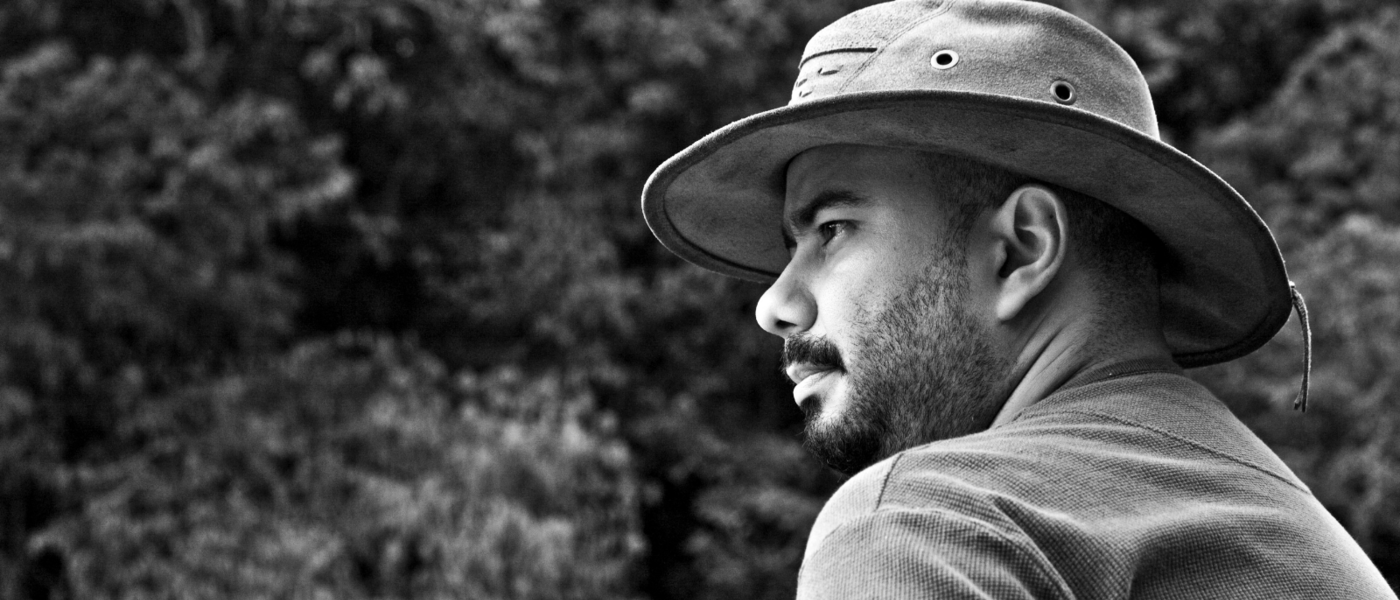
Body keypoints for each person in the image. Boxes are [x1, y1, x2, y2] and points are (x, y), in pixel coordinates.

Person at [641, 0, 1397, 597]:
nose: (775, 305)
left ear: (1021, 249)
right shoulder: (1283, 524)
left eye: (832, 229)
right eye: (791, 246)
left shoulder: (939, 522)